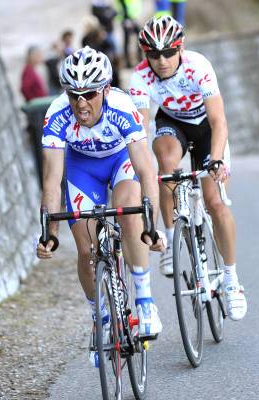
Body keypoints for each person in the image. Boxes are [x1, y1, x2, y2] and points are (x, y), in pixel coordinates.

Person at [36, 46, 164, 365]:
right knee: (85, 250)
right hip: (83, 169)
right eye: (73, 94)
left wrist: (152, 225)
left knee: (129, 212)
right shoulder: (56, 115)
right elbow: (52, 180)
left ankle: (145, 299)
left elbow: (147, 171)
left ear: (105, 89)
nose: (81, 103)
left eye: (90, 94)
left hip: (121, 161)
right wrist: (49, 232)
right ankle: (102, 317)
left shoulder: (123, 108)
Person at [128, 16, 247, 321]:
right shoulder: (140, 77)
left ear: (180, 48)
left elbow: (219, 121)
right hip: (173, 124)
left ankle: (232, 281)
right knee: (165, 166)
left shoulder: (199, 66)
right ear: (145, 56)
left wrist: (216, 159)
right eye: (154, 55)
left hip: (207, 129)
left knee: (216, 203)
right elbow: (140, 127)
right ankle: (170, 238)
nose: (162, 61)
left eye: (169, 52)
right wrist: (138, 168)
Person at [116, 0, 143, 67]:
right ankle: (127, 62)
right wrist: (126, 19)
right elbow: (122, 6)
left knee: (140, 39)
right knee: (127, 41)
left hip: (135, 19)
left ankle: (140, 59)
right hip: (127, 20)